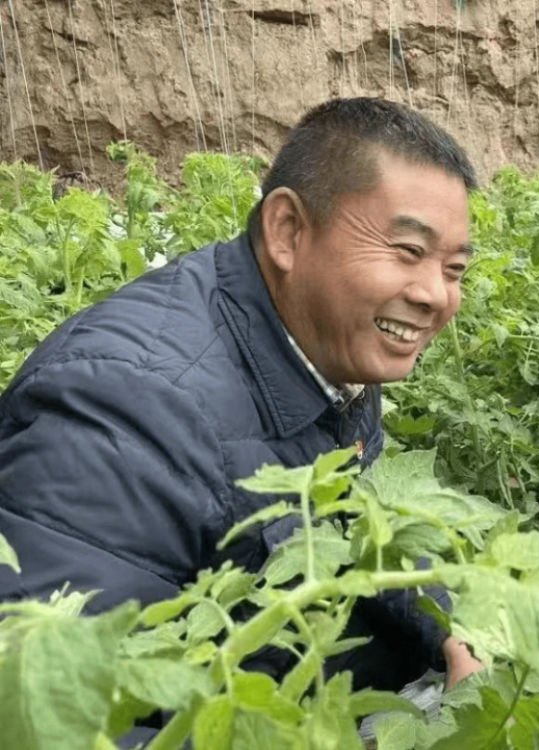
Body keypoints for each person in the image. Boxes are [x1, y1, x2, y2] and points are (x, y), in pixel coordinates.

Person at [0, 98, 482, 740]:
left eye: (454, 269)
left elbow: (345, 529)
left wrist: (446, 629)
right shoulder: (127, 409)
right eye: (404, 250)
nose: (433, 295)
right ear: (287, 230)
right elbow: (46, 717)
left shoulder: (327, 343)